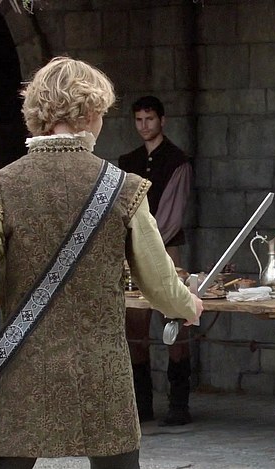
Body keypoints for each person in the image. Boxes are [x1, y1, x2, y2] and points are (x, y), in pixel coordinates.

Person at [0, 57, 204, 468]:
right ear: (90, 114)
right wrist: (187, 305)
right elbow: (159, 284)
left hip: (21, 373)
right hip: (102, 376)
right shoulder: (125, 188)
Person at [117, 96, 194, 426]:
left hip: (167, 251)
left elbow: (172, 216)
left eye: (149, 119)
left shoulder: (177, 161)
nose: (144, 125)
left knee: (173, 321)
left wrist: (148, 246)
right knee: (136, 328)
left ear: (162, 120)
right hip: (132, 253)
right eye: (139, 120)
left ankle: (179, 404)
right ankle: (142, 404)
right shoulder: (127, 162)